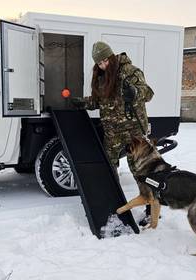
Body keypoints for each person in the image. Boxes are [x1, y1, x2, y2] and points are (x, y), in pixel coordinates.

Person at [71, 41, 154, 225]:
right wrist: (82, 103)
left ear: (111, 57)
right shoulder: (101, 77)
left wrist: (134, 92)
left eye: (104, 61)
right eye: (99, 63)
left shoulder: (130, 71)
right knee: (109, 167)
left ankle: (150, 207)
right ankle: (114, 201)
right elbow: (97, 101)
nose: (102, 66)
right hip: (112, 133)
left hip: (133, 132)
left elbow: (147, 93)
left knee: (139, 169)